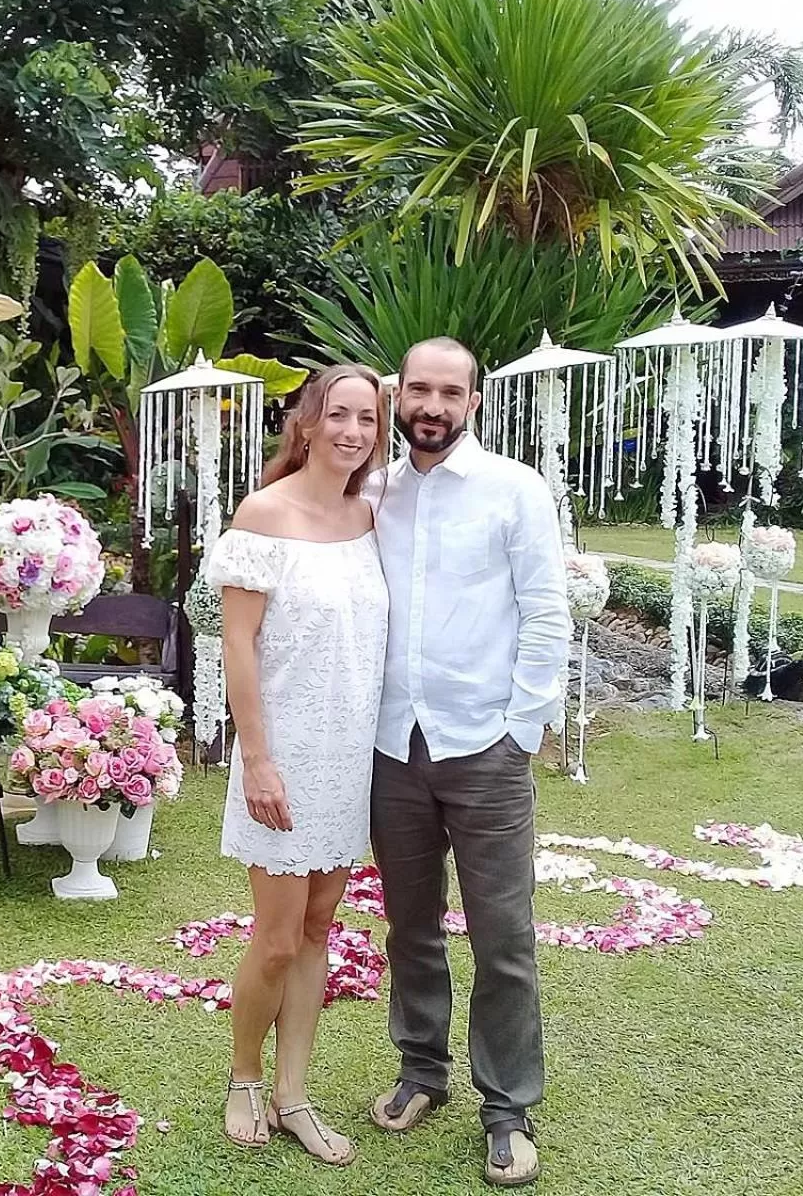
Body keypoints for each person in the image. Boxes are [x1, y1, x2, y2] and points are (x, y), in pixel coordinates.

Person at [366, 337, 570, 1188]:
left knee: (503, 936)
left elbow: (547, 613)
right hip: (391, 746)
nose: (433, 407)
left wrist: (520, 731)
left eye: (452, 393)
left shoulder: (514, 489)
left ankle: (507, 1106)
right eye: (420, 389)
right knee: (410, 927)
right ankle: (422, 1073)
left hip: (484, 747)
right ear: (397, 394)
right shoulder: (370, 489)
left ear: (474, 402)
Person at [206, 363, 389, 1165]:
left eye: (368, 419)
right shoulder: (262, 515)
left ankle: (293, 1094)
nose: (353, 431)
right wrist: (257, 761)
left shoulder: (372, 516)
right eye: (339, 413)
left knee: (320, 930)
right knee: (276, 940)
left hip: (349, 757)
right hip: (280, 754)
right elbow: (238, 643)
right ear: (307, 422)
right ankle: (244, 1076)